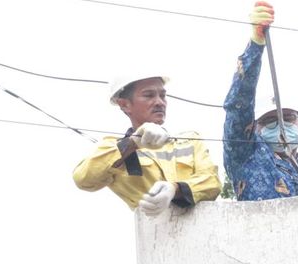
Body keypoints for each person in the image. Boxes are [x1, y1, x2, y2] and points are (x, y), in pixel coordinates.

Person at [222, 1, 298, 200]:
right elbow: (238, 107)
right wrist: (255, 46)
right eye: (269, 121)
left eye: (288, 118)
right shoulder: (246, 159)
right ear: (255, 128)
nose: (281, 125)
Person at [72, 72, 221, 215]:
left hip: (202, 232)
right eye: (149, 95)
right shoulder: (116, 150)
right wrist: (133, 142)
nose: (159, 102)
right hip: (153, 234)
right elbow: (84, 179)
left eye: (162, 95)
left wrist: (175, 189)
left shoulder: (189, 141)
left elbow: (212, 183)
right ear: (124, 105)